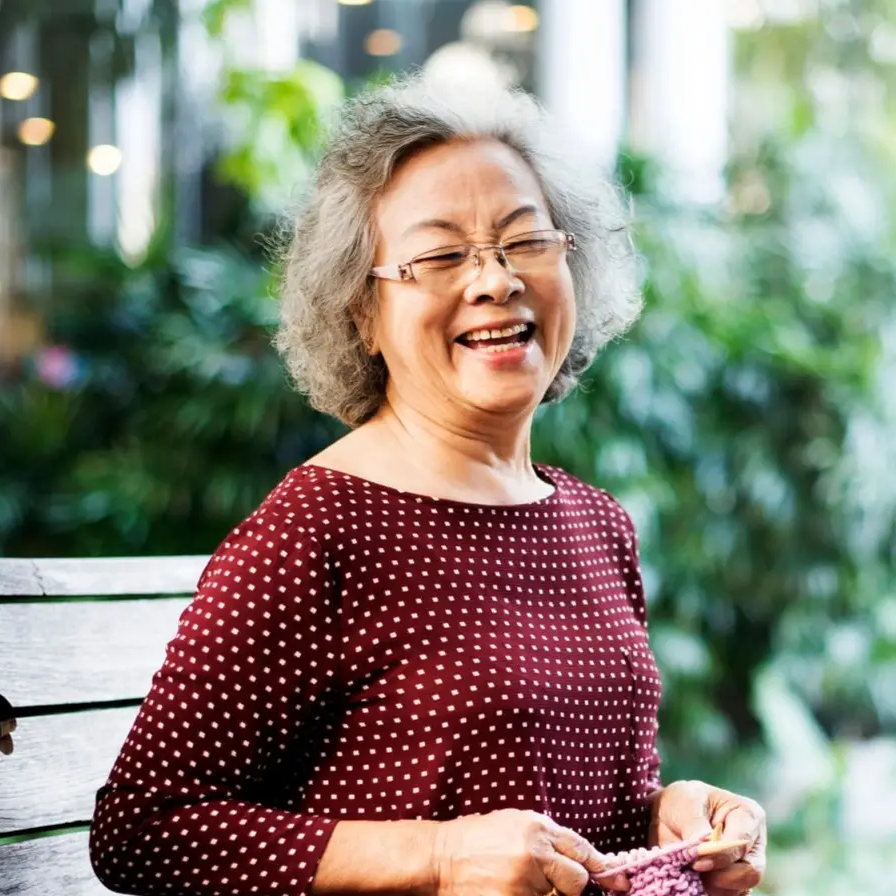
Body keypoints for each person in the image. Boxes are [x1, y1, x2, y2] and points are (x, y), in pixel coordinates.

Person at [90, 73, 767, 896]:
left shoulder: (596, 522)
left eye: (525, 242)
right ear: (361, 312)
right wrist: (439, 858)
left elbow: (583, 819)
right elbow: (142, 830)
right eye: (442, 254)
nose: (495, 280)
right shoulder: (320, 528)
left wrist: (674, 817)